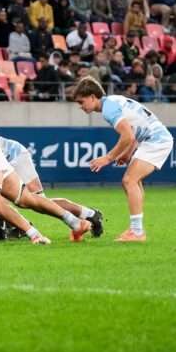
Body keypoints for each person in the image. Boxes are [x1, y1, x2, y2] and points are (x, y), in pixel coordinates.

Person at [73, 77, 173, 242]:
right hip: (152, 139)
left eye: (81, 101)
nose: (80, 106)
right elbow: (133, 130)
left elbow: (128, 135)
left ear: (92, 97)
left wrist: (108, 158)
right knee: (132, 181)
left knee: (129, 180)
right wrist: (127, 153)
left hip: (156, 140)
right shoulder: (113, 101)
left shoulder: (109, 110)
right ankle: (136, 229)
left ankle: (137, 232)